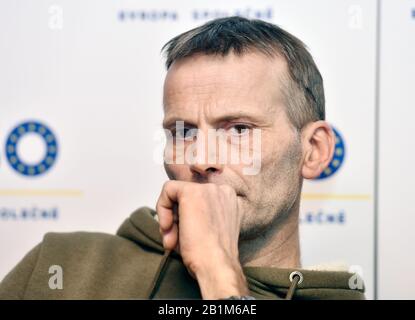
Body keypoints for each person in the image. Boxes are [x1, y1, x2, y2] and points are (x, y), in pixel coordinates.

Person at [0, 16, 364, 300]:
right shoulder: (60, 266)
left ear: (313, 151)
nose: (201, 158)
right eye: (183, 132)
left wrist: (219, 273)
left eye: (238, 130)